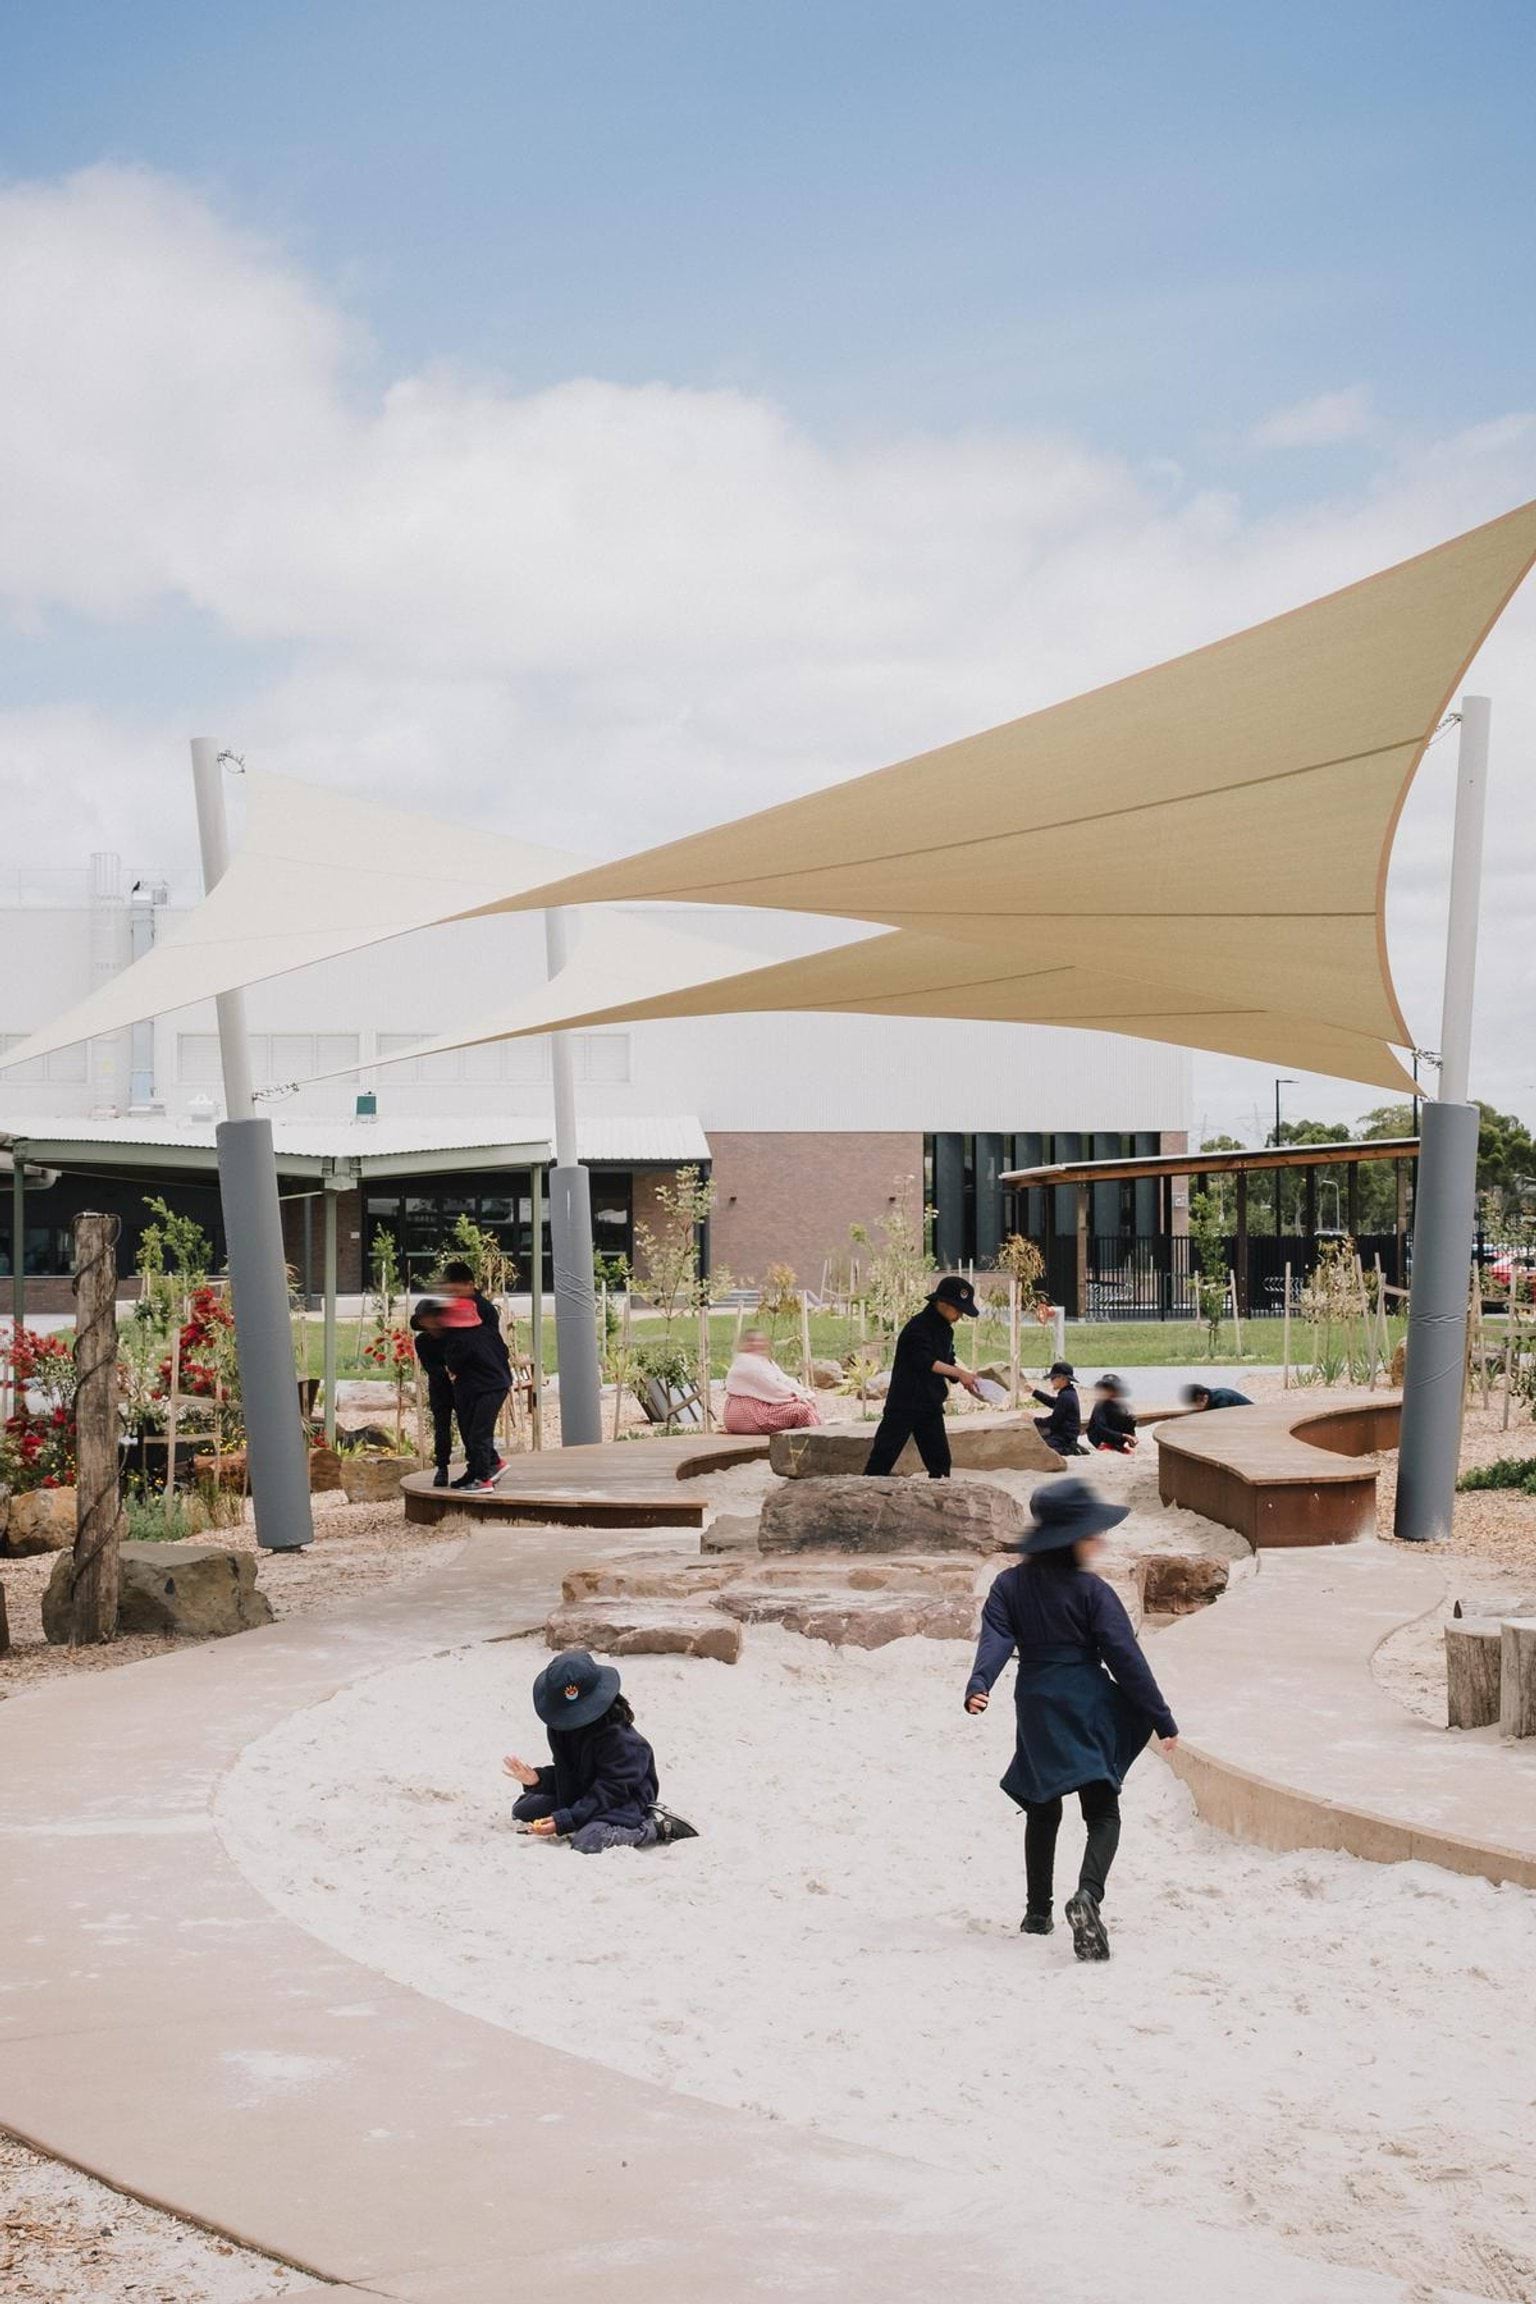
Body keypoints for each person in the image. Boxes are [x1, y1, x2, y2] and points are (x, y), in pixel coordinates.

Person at [964, 1478, 1179, 1961]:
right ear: (1072, 1538)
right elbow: (1125, 1657)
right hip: (1086, 1703)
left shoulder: (1009, 1584)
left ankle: (1036, 1913)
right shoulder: (1092, 1591)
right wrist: (1160, 1717)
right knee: (1102, 1809)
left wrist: (980, 1685)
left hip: (1037, 1702)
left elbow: (996, 1638)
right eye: (1092, 1532)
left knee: (1042, 1807)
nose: (1099, 1540)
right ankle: (1088, 1896)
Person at [503, 1648, 692, 1852]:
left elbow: (611, 1790)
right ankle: (576, 1812)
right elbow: (568, 1772)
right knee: (523, 1809)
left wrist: (568, 1819)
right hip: (584, 1790)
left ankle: (656, 1827)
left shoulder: (622, 1740)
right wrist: (536, 1779)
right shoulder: (559, 1728)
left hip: (622, 1798)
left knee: (587, 1841)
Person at [863, 1274, 985, 1478]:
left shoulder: (945, 1330)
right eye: (958, 1309)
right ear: (942, 1302)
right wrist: (959, 1373)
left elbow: (947, 1359)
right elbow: (925, 1361)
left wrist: (965, 1379)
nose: (959, 1316)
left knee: (940, 1462)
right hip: (905, 1403)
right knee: (883, 1458)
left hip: (930, 1404)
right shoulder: (918, 1327)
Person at [435, 1293, 512, 1490]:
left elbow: (454, 1365)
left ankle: (482, 1478)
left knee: (478, 1433)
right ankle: (482, 1468)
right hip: (498, 1385)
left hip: (484, 1388)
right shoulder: (488, 1332)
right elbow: (505, 1352)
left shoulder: (459, 1340)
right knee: (475, 1429)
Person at [722, 1329, 824, 1435]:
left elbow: (783, 1379)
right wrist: (797, 1397)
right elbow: (772, 1387)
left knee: (805, 1406)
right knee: (801, 1411)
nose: (756, 1344)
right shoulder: (746, 1362)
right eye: (751, 1341)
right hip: (745, 1414)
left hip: (758, 1409)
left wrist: (806, 1394)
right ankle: (817, 1442)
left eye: (760, 1340)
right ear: (744, 1344)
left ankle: (811, 1439)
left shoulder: (762, 1361)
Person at [409, 1298, 458, 1488]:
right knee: (441, 1428)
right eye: (424, 1319)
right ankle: (442, 1467)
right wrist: (447, 1370)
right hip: (440, 1388)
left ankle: (477, 1464)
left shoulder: (453, 1336)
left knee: (468, 1425)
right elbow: (431, 1367)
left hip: (460, 1386)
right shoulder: (422, 1341)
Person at [1030, 1361, 1082, 1455]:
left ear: (1062, 1378)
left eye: (1053, 1377)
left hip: (1064, 1438)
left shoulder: (1066, 1396)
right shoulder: (1069, 1393)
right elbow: (1053, 1402)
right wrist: (1034, 1392)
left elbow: (1053, 1421)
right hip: (1065, 1436)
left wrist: (1033, 1419)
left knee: (1037, 1448)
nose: (1051, 1380)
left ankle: (1071, 1449)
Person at [1086, 1373, 1137, 1454]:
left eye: (1110, 1389)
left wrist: (1132, 1436)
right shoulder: (1100, 1406)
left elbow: (1128, 1426)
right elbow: (1101, 1428)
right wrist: (1122, 1435)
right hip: (1102, 1440)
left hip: (1117, 1441)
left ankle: (1118, 1445)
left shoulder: (1119, 1406)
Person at [1181, 1382, 1252, 1411]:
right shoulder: (1207, 1394)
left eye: (1195, 1405)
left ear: (1204, 1399)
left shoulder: (1222, 1399)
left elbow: (1223, 1419)